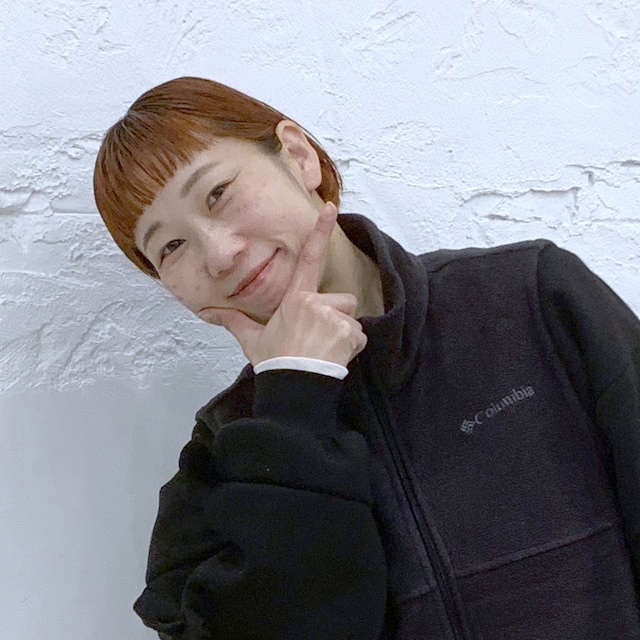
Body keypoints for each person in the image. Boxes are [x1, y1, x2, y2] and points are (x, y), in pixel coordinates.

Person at [93, 76, 640, 639]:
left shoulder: (530, 299)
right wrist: (294, 405)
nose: (220, 254)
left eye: (217, 193)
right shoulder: (224, 451)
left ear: (298, 156)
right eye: (170, 246)